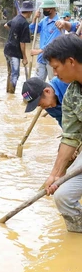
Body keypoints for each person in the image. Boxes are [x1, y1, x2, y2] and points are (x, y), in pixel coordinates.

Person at [42, 33, 82, 232]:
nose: (55, 74)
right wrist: (55, 175)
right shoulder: (72, 95)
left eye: (56, 68)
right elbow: (71, 137)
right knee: (63, 196)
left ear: (71, 61)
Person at [4, 0, 34, 94]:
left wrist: (14, 33)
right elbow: (22, 43)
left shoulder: (16, 18)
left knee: (10, 73)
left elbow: (6, 25)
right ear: (29, 12)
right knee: (15, 74)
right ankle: (11, 93)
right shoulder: (24, 23)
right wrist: (25, 57)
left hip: (7, 50)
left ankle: (8, 93)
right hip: (14, 53)